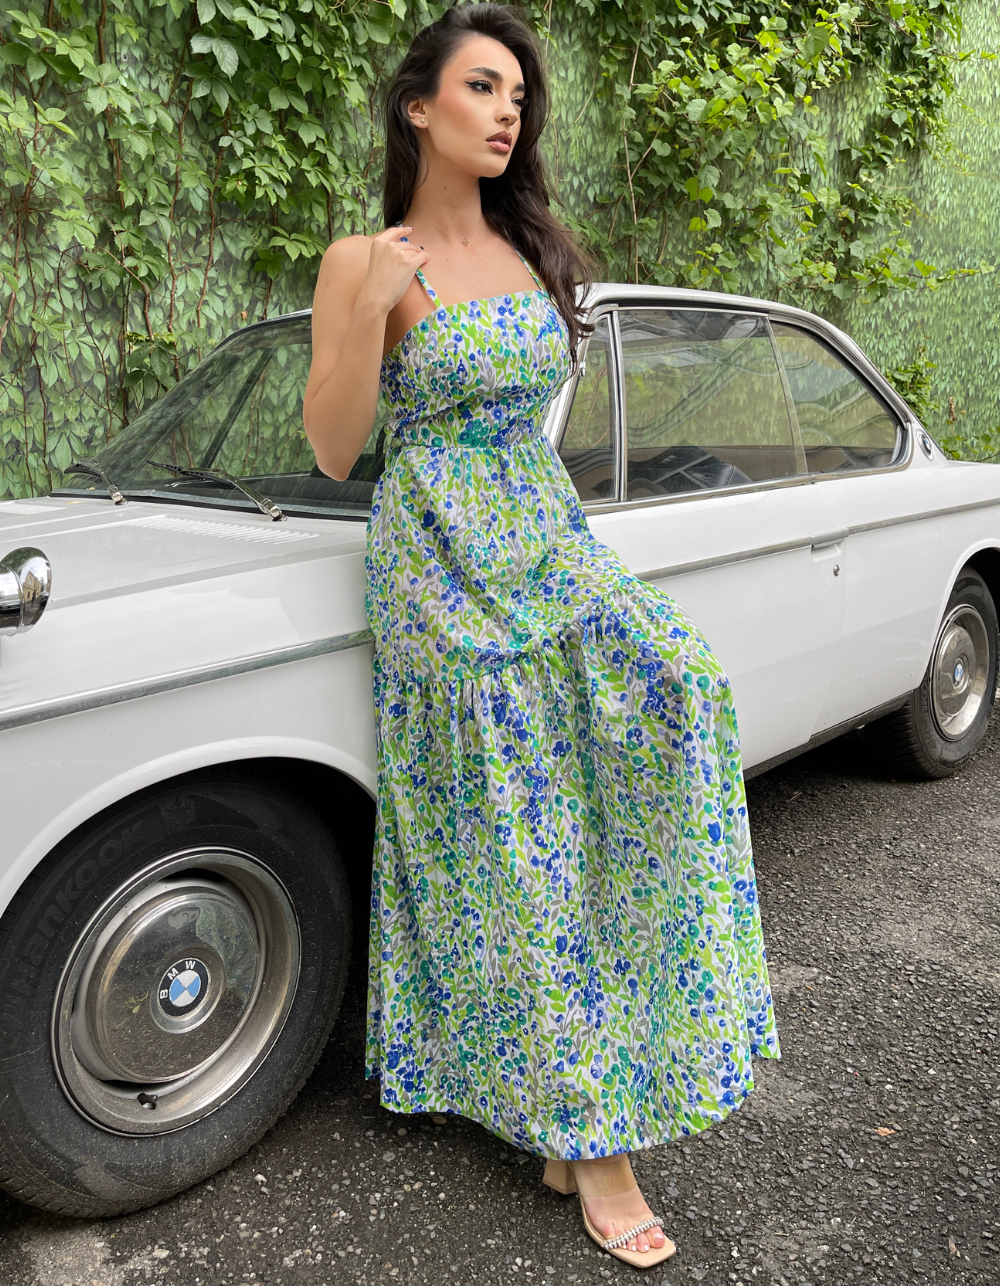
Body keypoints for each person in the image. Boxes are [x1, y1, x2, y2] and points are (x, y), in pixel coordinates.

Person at [303, 3, 779, 1269]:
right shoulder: (362, 256)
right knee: (514, 848)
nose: (508, 110)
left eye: (519, 93)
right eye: (482, 86)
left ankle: (625, 1055)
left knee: (681, 690)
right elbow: (337, 446)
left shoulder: (530, 250)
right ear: (419, 107)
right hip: (440, 563)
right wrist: (372, 306)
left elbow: (534, 430)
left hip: (543, 537)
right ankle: (592, 1137)